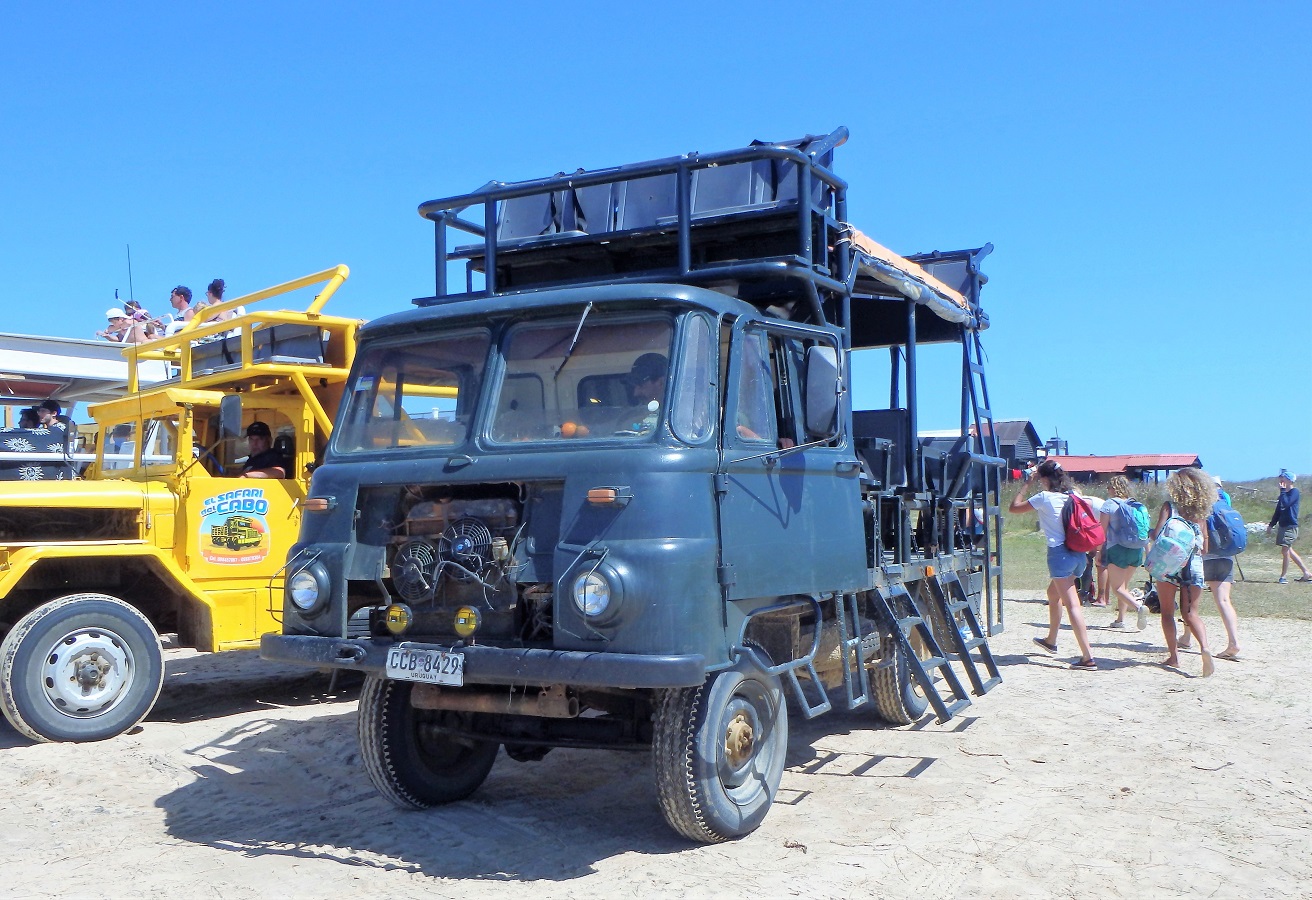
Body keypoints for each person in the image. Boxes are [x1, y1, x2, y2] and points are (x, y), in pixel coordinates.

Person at [1007, 459, 1101, 670]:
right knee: (1053, 594)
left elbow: (1013, 508)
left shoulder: (1044, 497)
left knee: (1073, 605)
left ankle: (1087, 657)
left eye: (1040, 478)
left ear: (1045, 479)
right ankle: (1051, 640)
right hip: (1078, 555)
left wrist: (1026, 484)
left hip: (1060, 555)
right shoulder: (1074, 495)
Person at [1153, 467, 1217, 676]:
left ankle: (1174, 657)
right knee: (1191, 614)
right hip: (1194, 564)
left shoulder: (1169, 507)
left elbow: (1158, 534)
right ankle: (1205, 648)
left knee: (1167, 612)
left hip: (1169, 563)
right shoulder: (1200, 513)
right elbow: (1204, 547)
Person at [1100, 475, 1151, 631]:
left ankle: (1138, 607)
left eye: (1109, 487)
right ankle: (1120, 619)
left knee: (1117, 588)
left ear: (1113, 488)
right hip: (1137, 549)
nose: (1107, 490)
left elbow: (1101, 531)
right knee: (1124, 586)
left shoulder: (1109, 505)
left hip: (1117, 548)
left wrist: (1097, 551)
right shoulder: (1137, 505)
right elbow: (1146, 531)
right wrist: (1148, 553)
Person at [1201, 492, 1244, 660]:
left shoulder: (1204, 509)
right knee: (1224, 600)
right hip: (1227, 556)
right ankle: (1233, 642)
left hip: (1207, 558)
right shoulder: (1227, 507)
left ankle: (1187, 636)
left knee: (1190, 599)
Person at [1268, 470, 1310, 583]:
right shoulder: (1283, 494)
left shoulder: (1294, 492)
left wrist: (1282, 491)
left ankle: (1283, 577)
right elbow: (1278, 511)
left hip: (1291, 526)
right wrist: (1271, 525)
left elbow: (1286, 504)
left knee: (1285, 550)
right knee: (1288, 551)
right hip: (1283, 525)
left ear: (1290, 480)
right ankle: (1306, 573)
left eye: (1283, 478)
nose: (1281, 480)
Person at [613, 352, 667, 435]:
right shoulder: (628, 418)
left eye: (641, 385)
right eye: (633, 386)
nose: (636, 393)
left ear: (661, 382)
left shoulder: (682, 420)